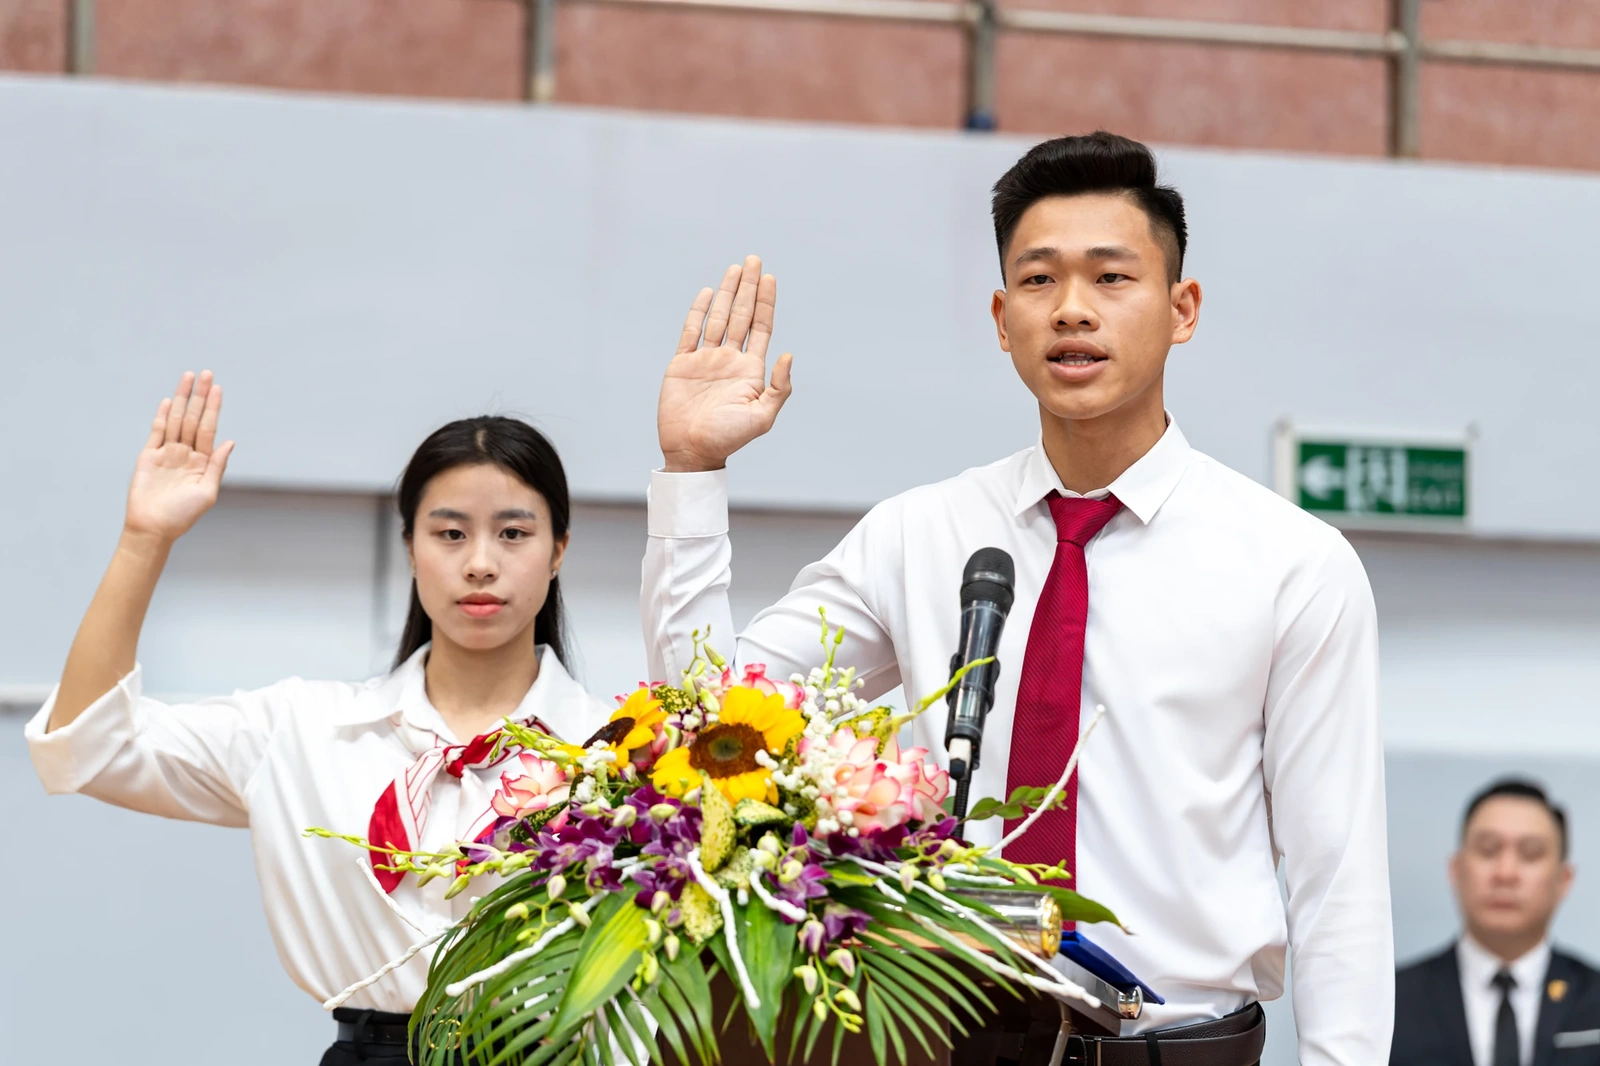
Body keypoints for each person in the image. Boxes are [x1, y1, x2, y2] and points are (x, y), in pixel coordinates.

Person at [641, 132, 1391, 1065]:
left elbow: (1337, 878)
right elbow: (709, 721)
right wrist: (692, 471)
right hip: (947, 1041)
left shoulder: (1291, 563)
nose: (1072, 308)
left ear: (1182, 308)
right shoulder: (919, 534)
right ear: (1003, 319)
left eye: (1111, 277)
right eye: (1039, 281)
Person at [25, 371, 611, 1065]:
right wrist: (143, 539)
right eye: (450, 533)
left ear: (558, 550)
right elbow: (88, 747)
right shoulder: (303, 728)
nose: (481, 563)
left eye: (513, 533)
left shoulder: (621, 750)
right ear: (411, 547)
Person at [1392, 779, 1600, 1066]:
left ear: (1563, 880)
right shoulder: (1392, 1001)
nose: (1505, 873)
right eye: (1489, 850)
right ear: (1456, 869)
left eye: (1530, 854)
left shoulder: (1593, 999)